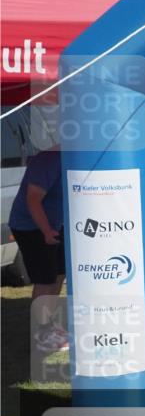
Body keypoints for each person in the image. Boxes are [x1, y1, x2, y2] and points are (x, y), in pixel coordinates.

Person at [9, 147, 68, 352]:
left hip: (55, 223)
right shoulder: (49, 159)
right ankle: (42, 333)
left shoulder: (74, 156)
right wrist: (46, 231)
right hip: (31, 226)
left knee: (60, 272)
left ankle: (49, 325)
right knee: (45, 277)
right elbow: (33, 199)